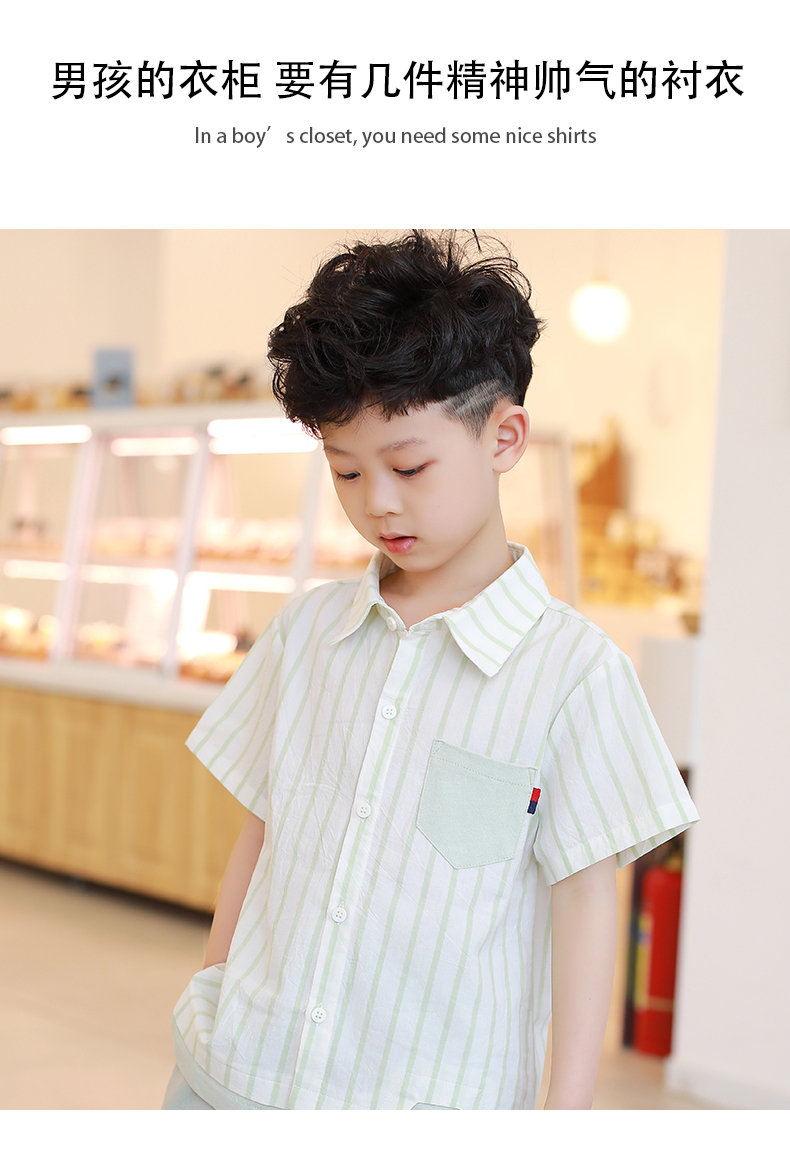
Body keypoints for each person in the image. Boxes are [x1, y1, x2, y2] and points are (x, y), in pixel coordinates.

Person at [163, 231, 699, 1111]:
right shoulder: (306, 635)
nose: (377, 502)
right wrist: (213, 1000)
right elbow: (259, 837)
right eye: (345, 472)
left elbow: (585, 908)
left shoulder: (575, 675)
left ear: (504, 437)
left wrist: (564, 1120)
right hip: (234, 1080)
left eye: (409, 466)